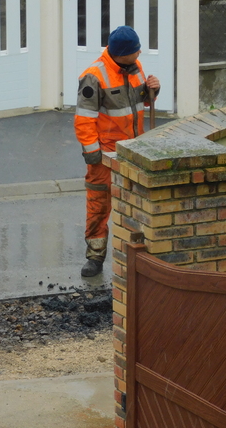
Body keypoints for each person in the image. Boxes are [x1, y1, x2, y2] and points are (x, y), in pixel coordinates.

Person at [74, 26, 161, 277]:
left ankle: (136, 257)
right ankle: (95, 257)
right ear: (120, 55)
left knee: (135, 205)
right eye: (134, 52)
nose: (140, 54)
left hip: (133, 152)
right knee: (99, 206)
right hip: (105, 156)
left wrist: (152, 89)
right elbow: (84, 121)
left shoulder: (134, 66)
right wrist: (94, 157)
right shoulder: (93, 76)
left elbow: (140, 100)